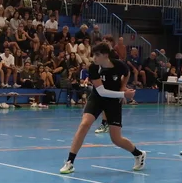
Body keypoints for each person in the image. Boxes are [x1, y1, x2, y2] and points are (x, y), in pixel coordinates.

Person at [60, 42, 146, 174]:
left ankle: (138, 154)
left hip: (113, 102)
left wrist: (122, 87)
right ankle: (70, 162)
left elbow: (127, 73)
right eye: (93, 55)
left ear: (105, 55)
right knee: (84, 124)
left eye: (97, 55)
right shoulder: (93, 68)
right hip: (97, 98)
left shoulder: (119, 65)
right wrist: (123, 94)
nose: (94, 58)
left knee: (116, 139)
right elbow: (102, 92)